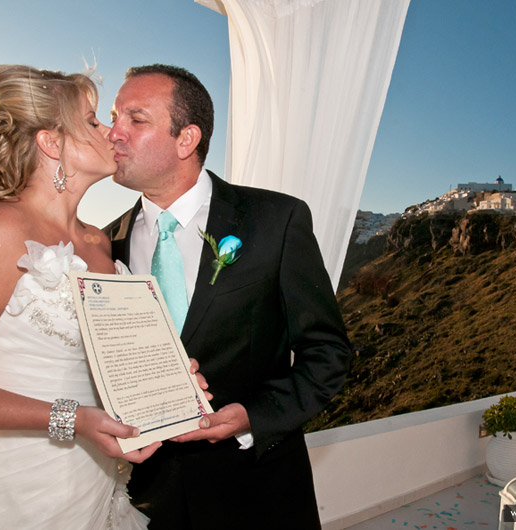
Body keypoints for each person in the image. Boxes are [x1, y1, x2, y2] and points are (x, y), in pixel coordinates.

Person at [0, 64, 196, 529]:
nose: (111, 132)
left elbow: (108, 365)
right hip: (12, 491)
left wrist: (170, 380)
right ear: (51, 143)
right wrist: (73, 420)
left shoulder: (99, 242)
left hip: (94, 483)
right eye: (94, 120)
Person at [104, 64, 352, 530]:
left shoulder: (276, 220)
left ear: (186, 139)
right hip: (149, 500)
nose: (112, 132)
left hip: (259, 493)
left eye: (135, 120)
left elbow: (328, 353)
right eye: (114, 117)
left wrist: (251, 418)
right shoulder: (105, 244)